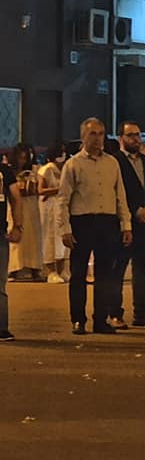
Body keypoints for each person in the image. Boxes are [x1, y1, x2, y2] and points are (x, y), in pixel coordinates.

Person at [58, 118, 133, 335]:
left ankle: (100, 319)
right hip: (82, 222)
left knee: (105, 275)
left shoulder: (112, 163)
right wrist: (65, 229)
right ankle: (78, 319)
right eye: (93, 134)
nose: (98, 138)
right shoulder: (73, 165)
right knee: (79, 273)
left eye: (101, 134)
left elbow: (120, 196)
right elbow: (63, 200)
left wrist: (126, 225)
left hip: (107, 222)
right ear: (83, 137)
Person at [110, 120, 145, 329]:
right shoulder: (114, 162)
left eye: (138, 135)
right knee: (118, 270)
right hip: (124, 225)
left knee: (143, 271)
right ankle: (115, 313)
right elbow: (116, 192)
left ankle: (141, 313)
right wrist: (135, 211)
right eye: (131, 135)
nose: (135, 139)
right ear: (121, 139)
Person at [8, 144, 42, 282]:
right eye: (20, 158)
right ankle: (14, 269)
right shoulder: (9, 172)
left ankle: (34, 268)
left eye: (25, 158)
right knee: (16, 236)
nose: (22, 161)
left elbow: (37, 189)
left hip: (31, 207)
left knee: (33, 238)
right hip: (15, 205)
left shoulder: (34, 171)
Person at [0, 154, 24, 341]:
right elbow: (16, 198)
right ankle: (1, 328)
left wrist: (17, 225)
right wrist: (17, 226)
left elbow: (16, 197)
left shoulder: (5, 170)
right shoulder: (4, 170)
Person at [38, 142, 69, 283]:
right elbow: (41, 190)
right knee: (49, 237)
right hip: (49, 206)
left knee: (61, 238)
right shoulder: (46, 169)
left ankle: (62, 270)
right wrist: (59, 190)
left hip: (61, 206)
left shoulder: (66, 168)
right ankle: (51, 271)